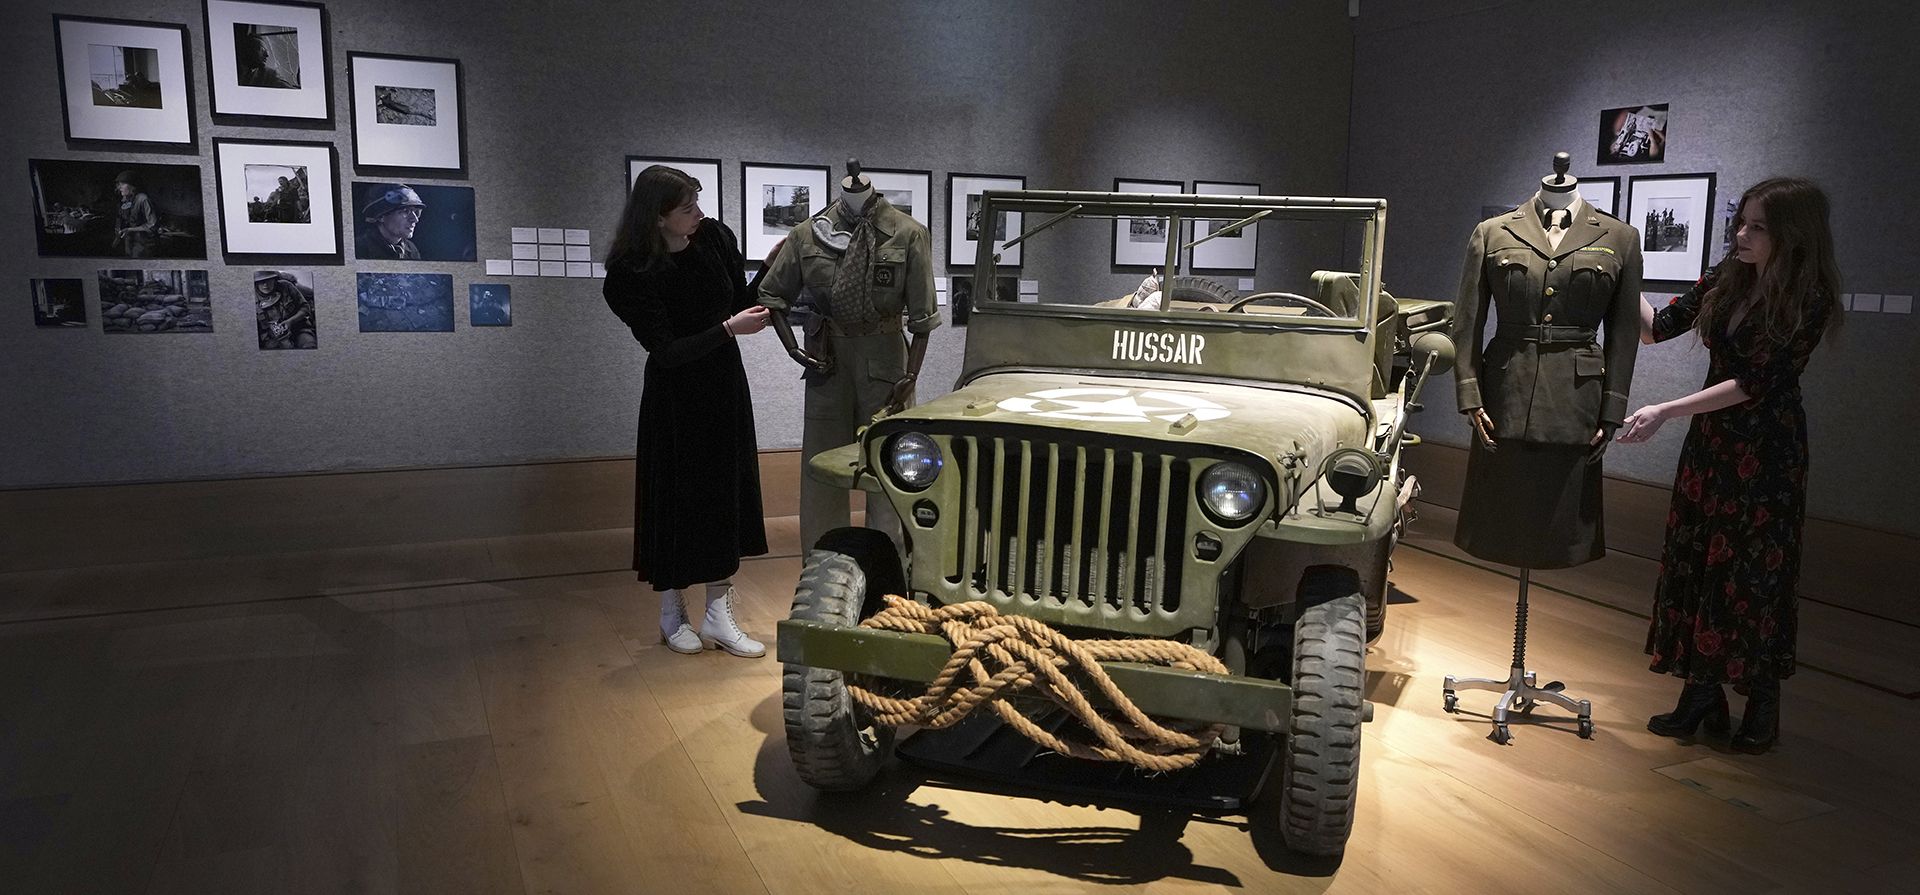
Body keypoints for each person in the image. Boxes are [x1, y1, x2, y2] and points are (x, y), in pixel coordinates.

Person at [1618, 177, 1842, 754]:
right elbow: (1655, 330)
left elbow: (1753, 383)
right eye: (1740, 223)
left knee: (1752, 571)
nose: (1741, 235)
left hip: (1766, 450)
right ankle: (1702, 691)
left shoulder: (1809, 297)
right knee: (1700, 556)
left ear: (1792, 234)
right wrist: (1623, 260)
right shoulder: (1728, 276)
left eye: (1757, 226)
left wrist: (1666, 410)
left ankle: (1762, 700)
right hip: (1714, 443)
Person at [604, 165, 776, 658]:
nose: (699, 214)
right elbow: (666, 351)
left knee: (723, 496)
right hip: (675, 399)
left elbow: (737, 303)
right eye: (687, 208)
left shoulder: (713, 238)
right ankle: (670, 610)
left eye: (697, 203)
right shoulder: (630, 273)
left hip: (723, 387)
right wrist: (728, 330)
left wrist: (768, 266)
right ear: (657, 218)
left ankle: (719, 614)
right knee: (677, 500)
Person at [356, 185, 425, 260]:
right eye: (405, 211)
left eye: (416, 212)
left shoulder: (411, 249)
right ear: (381, 216)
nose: (415, 219)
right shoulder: (359, 249)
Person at [254, 270, 315, 349]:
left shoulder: (286, 286)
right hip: (271, 339)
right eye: (261, 281)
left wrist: (290, 322)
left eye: (268, 280)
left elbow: (305, 307)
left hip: (298, 329)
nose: (265, 284)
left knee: (309, 344)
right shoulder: (251, 297)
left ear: (275, 279)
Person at [112, 170, 157, 258]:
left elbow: (152, 225)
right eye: (119, 184)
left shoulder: (143, 199)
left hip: (143, 243)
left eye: (122, 184)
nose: (119, 187)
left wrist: (130, 230)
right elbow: (120, 218)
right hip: (128, 242)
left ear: (132, 186)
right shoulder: (124, 201)